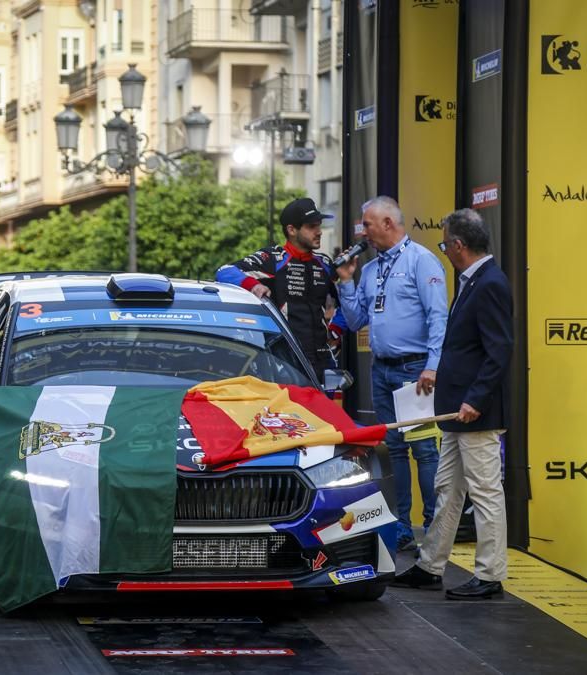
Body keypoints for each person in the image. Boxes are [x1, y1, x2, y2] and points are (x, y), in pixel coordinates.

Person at [393, 208, 512, 600]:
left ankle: (491, 574)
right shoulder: (473, 281)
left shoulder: (489, 283)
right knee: (448, 489)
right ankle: (431, 565)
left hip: (474, 413)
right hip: (459, 412)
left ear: (458, 245)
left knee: (485, 492)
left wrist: (476, 400)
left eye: (445, 243)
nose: (444, 249)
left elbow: (500, 350)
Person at [335, 195, 447, 550]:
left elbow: (437, 318)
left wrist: (433, 365)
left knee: (424, 450)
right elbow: (354, 321)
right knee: (394, 450)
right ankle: (401, 530)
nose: (362, 231)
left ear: (387, 224)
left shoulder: (421, 261)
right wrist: (346, 282)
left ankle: (433, 529)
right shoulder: (369, 269)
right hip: (382, 370)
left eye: (367, 224)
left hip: (415, 370)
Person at [216, 197, 347, 380]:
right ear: (291, 230)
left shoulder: (324, 263)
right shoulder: (273, 258)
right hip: (285, 360)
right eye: (311, 226)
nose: (319, 232)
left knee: (324, 408)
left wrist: (336, 328)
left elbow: (348, 301)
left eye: (319, 225)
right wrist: (253, 285)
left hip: (323, 359)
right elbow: (224, 271)